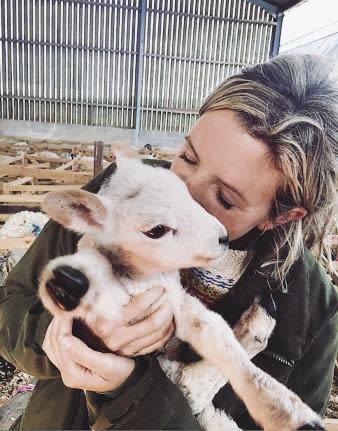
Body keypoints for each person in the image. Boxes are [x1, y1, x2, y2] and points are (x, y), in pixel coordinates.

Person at [0, 54, 337, 430]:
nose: (184, 198)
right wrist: (57, 336)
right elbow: (10, 306)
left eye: (224, 199)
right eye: (187, 157)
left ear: (282, 215)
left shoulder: (310, 310)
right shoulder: (128, 193)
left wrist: (134, 390)